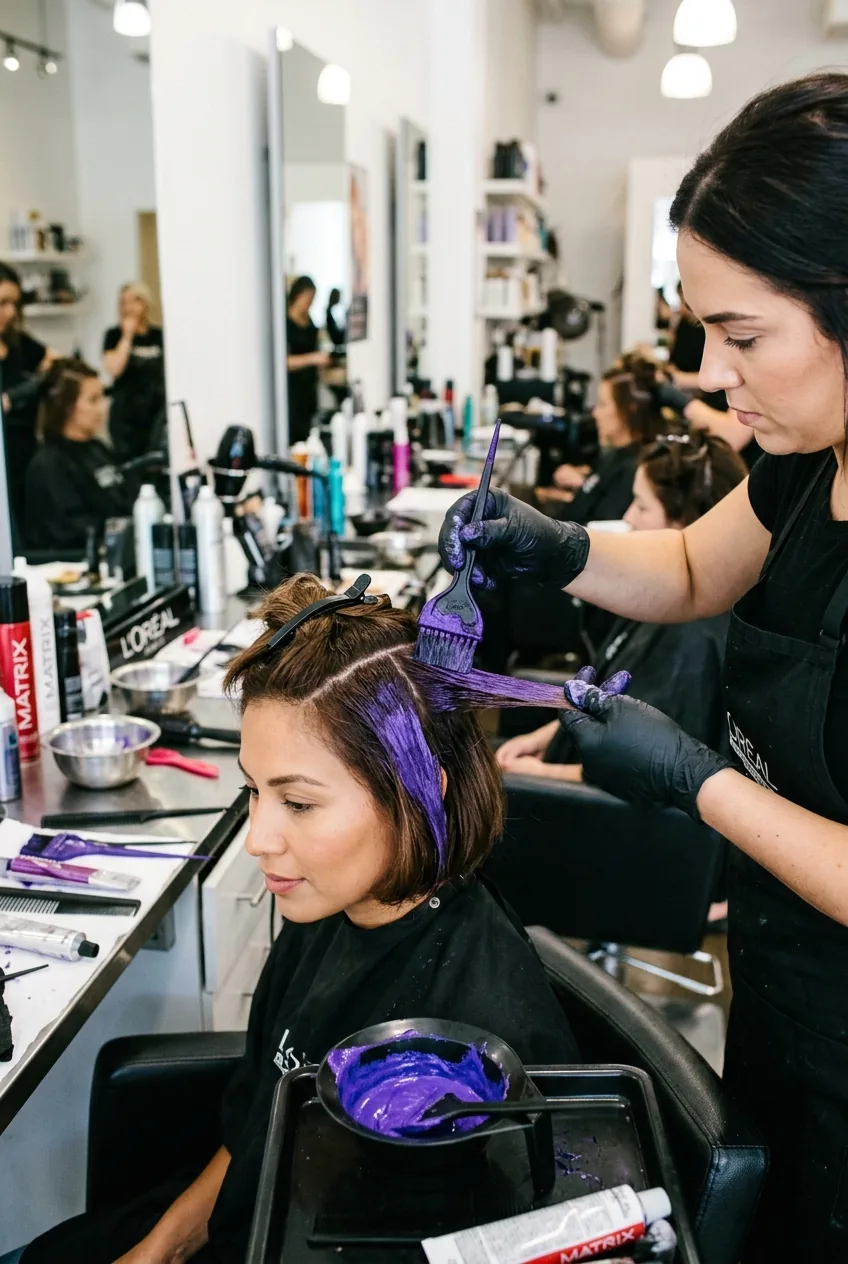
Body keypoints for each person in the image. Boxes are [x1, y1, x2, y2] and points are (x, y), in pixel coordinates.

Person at [439, 72, 848, 1262]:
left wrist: (691, 777)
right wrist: (558, 545)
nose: (709, 373)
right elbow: (682, 567)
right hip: (781, 986)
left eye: (742, 335)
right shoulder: (804, 464)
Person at [15, 573, 577, 1264]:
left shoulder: (476, 1049)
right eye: (254, 790)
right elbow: (256, 1127)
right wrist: (158, 1251)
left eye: (299, 803)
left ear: (420, 795)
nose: (258, 839)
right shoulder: (327, 907)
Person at [497, 432, 746, 782]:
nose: (628, 516)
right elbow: (607, 705)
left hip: (590, 802)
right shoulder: (659, 597)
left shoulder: (694, 640)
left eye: (642, 506)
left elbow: (644, 777)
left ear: (687, 524)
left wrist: (540, 773)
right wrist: (545, 737)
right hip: (573, 759)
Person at [25, 358, 136, 552]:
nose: (102, 407)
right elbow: (70, 531)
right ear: (67, 406)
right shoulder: (50, 464)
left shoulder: (99, 449)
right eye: (93, 400)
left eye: (102, 397)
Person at [545, 354, 668, 526]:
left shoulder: (632, 470)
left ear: (629, 410)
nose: (595, 412)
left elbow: (601, 527)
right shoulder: (615, 456)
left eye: (603, 404)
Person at [0, 263, 57, 534]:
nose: (11, 312)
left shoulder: (20, 344)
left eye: (15, 303)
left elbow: (53, 360)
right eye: (2, 303)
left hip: (28, 460)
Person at [103, 282, 166, 463]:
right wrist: (127, 336)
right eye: (123, 302)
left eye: (135, 301)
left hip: (155, 412)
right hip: (126, 415)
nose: (129, 307)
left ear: (145, 303)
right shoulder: (113, 335)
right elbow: (114, 369)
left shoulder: (159, 335)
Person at [286, 275, 329, 445]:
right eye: (308, 299)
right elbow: (284, 362)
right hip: (292, 390)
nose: (310, 304)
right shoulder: (285, 324)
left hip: (309, 389)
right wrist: (312, 359)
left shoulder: (310, 322)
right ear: (298, 295)